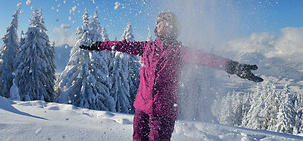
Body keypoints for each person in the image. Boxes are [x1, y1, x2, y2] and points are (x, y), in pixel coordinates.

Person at [80, 11, 263, 141]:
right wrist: (99, 45)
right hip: (141, 109)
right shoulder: (146, 47)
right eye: (161, 23)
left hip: (163, 112)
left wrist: (233, 66)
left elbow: (206, 58)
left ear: (175, 30)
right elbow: (121, 45)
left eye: (170, 24)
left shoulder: (179, 52)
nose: (165, 26)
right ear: (156, 28)